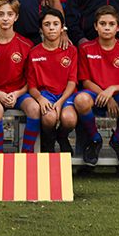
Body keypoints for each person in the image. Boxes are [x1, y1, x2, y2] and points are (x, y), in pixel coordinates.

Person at [72, 5, 119, 168]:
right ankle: (95, 140)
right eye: (103, 24)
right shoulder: (86, 48)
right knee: (81, 99)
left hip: (117, 93)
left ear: (118, 27)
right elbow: (85, 81)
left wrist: (112, 90)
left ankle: (118, 140)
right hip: (95, 94)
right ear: (96, 26)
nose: (107, 27)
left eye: (111, 24)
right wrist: (105, 94)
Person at [0, 0, 37, 153]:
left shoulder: (26, 45)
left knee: (34, 108)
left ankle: (27, 153)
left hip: (18, 93)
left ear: (16, 17)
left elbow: (31, 81)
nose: (5, 18)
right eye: (1, 14)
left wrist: (17, 94)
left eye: (10, 14)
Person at [27, 8, 79, 153]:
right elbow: (31, 85)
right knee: (49, 117)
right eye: (47, 24)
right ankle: (48, 142)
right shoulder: (34, 52)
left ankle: (61, 137)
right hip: (46, 95)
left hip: (66, 95)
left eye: (56, 24)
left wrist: (61, 101)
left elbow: (72, 81)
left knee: (69, 119)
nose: (51, 28)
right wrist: (40, 99)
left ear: (62, 28)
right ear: (41, 28)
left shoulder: (71, 50)